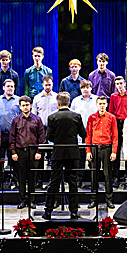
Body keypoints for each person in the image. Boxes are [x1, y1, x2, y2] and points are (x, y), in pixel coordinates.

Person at [43, 92, 86, 220]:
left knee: (54, 182)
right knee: (73, 182)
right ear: (69, 103)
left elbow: (48, 137)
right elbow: (83, 134)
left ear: (58, 103)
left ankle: (48, 211)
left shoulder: (52, 117)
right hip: (73, 153)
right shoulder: (76, 116)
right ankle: (73, 212)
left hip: (58, 153)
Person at [10, 95, 46, 209]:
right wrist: (13, 152)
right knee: (21, 177)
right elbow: (12, 137)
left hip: (33, 151)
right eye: (23, 105)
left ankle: (32, 200)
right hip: (20, 152)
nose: (25, 107)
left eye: (27, 105)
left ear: (31, 106)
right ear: (20, 107)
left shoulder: (37, 119)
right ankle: (22, 200)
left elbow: (42, 137)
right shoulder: (16, 120)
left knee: (32, 177)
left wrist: (39, 151)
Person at [85, 95, 118, 209]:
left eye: (104, 103)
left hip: (107, 148)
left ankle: (109, 199)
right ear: (97, 104)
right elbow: (88, 135)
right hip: (94, 148)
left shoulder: (111, 117)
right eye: (100, 103)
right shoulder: (91, 117)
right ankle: (93, 200)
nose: (102, 105)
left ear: (107, 104)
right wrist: (88, 151)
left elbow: (115, 136)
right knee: (94, 175)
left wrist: (114, 151)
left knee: (107, 174)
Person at [0, 78, 21, 186]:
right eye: (8, 86)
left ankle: (16, 179)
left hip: (14, 135)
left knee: (14, 158)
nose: (10, 88)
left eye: (12, 86)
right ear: (3, 87)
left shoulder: (18, 100)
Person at [109, 75, 127, 186]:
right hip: (117, 123)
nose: (120, 86)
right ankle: (116, 176)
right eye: (117, 84)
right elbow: (110, 112)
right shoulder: (113, 96)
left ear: (125, 83)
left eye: (121, 83)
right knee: (117, 148)